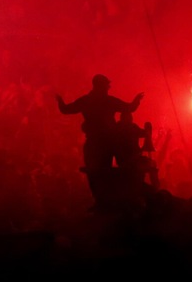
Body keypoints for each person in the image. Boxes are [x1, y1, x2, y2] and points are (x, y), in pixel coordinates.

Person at [56, 74, 144, 209]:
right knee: (107, 169)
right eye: (107, 85)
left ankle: (103, 200)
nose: (109, 87)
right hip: (108, 142)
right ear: (101, 86)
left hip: (96, 142)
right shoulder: (108, 101)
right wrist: (136, 100)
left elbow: (66, 109)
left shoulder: (87, 100)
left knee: (95, 172)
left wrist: (60, 101)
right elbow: (129, 107)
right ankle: (112, 199)